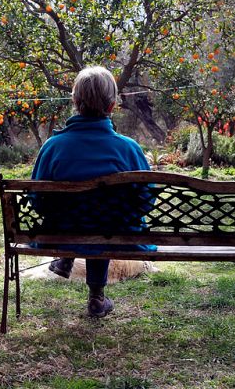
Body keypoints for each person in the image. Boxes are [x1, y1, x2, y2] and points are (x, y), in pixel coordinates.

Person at [31, 66, 154, 318]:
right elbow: (146, 200)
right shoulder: (128, 149)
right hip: (116, 231)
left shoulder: (53, 147)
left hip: (64, 232)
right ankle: (96, 296)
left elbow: (37, 198)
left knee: (82, 219)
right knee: (104, 224)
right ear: (111, 106)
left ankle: (67, 257)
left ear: (75, 102)